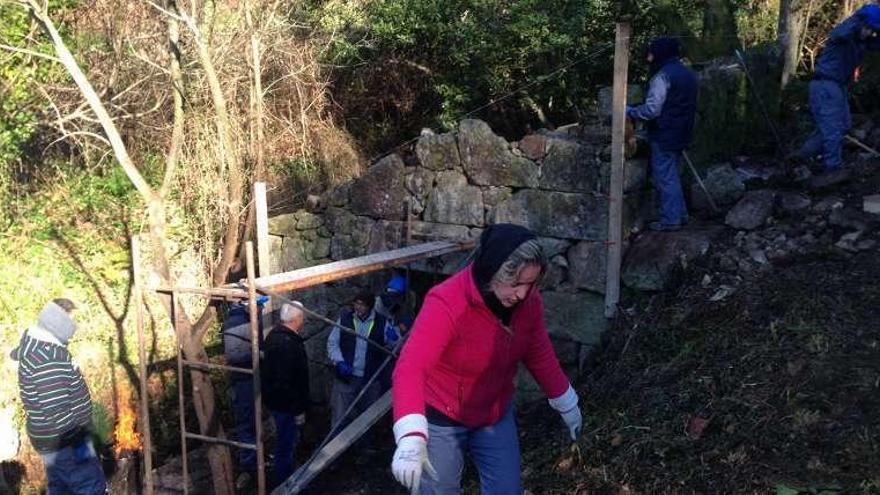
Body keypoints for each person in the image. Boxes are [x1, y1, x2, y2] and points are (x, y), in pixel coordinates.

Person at [390, 224, 583, 494]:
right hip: (442, 415)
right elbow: (410, 368)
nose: (523, 294)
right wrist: (411, 436)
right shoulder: (447, 302)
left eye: (530, 284)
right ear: (493, 271)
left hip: (493, 412)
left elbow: (538, 352)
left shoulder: (527, 304)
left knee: (507, 489)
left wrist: (566, 401)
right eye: (516, 283)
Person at [10, 299, 107, 494]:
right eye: (72, 319)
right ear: (60, 321)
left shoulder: (42, 348)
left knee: (60, 485)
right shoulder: (47, 359)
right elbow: (57, 411)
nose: (75, 325)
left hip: (52, 440)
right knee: (90, 484)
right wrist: (80, 439)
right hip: (67, 441)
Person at [796, 4, 880, 172]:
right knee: (833, 130)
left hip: (837, 87)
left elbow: (875, 43)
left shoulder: (861, 41)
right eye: (870, 29)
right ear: (861, 23)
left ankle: (801, 156)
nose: (871, 33)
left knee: (842, 126)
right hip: (825, 85)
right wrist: (858, 22)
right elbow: (839, 33)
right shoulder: (845, 33)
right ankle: (833, 169)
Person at [626, 36, 698, 232]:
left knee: (665, 177)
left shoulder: (663, 76)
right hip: (683, 131)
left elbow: (652, 110)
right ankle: (680, 215)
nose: (649, 57)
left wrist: (630, 111)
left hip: (664, 133)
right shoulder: (688, 73)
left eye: (651, 52)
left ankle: (670, 220)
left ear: (660, 53)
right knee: (673, 175)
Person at [326, 291, 399, 430]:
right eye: (356, 303)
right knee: (340, 414)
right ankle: (335, 446)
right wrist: (339, 361)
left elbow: (394, 346)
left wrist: (393, 339)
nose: (358, 307)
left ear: (370, 306)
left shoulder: (382, 322)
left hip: (370, 379)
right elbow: (332, 342)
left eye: (362, 305)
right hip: (346, 377)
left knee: (366, 417)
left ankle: (363, 447)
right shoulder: (345, 319)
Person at [220, 295, 268, 484]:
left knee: (256, 419)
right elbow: (233, 355)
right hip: (243, 380)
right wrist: (257, 354)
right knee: (246, 422)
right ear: (248, 304)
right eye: (260, 305)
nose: (263, 309)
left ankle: (258, 459)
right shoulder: (236, 322)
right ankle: (249, 466)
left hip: (254, 376)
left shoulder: (251, 317)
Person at [262, 302, 310, 487]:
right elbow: (289, 382)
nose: (303, 320)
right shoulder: (288, 344)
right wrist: (298, 410)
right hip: (286, 406)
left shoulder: (274, 336)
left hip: (278, 402)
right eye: (302, 317)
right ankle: (285, 485)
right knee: (286, 445)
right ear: (296, 319)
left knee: (286, 444)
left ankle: (286, 478)